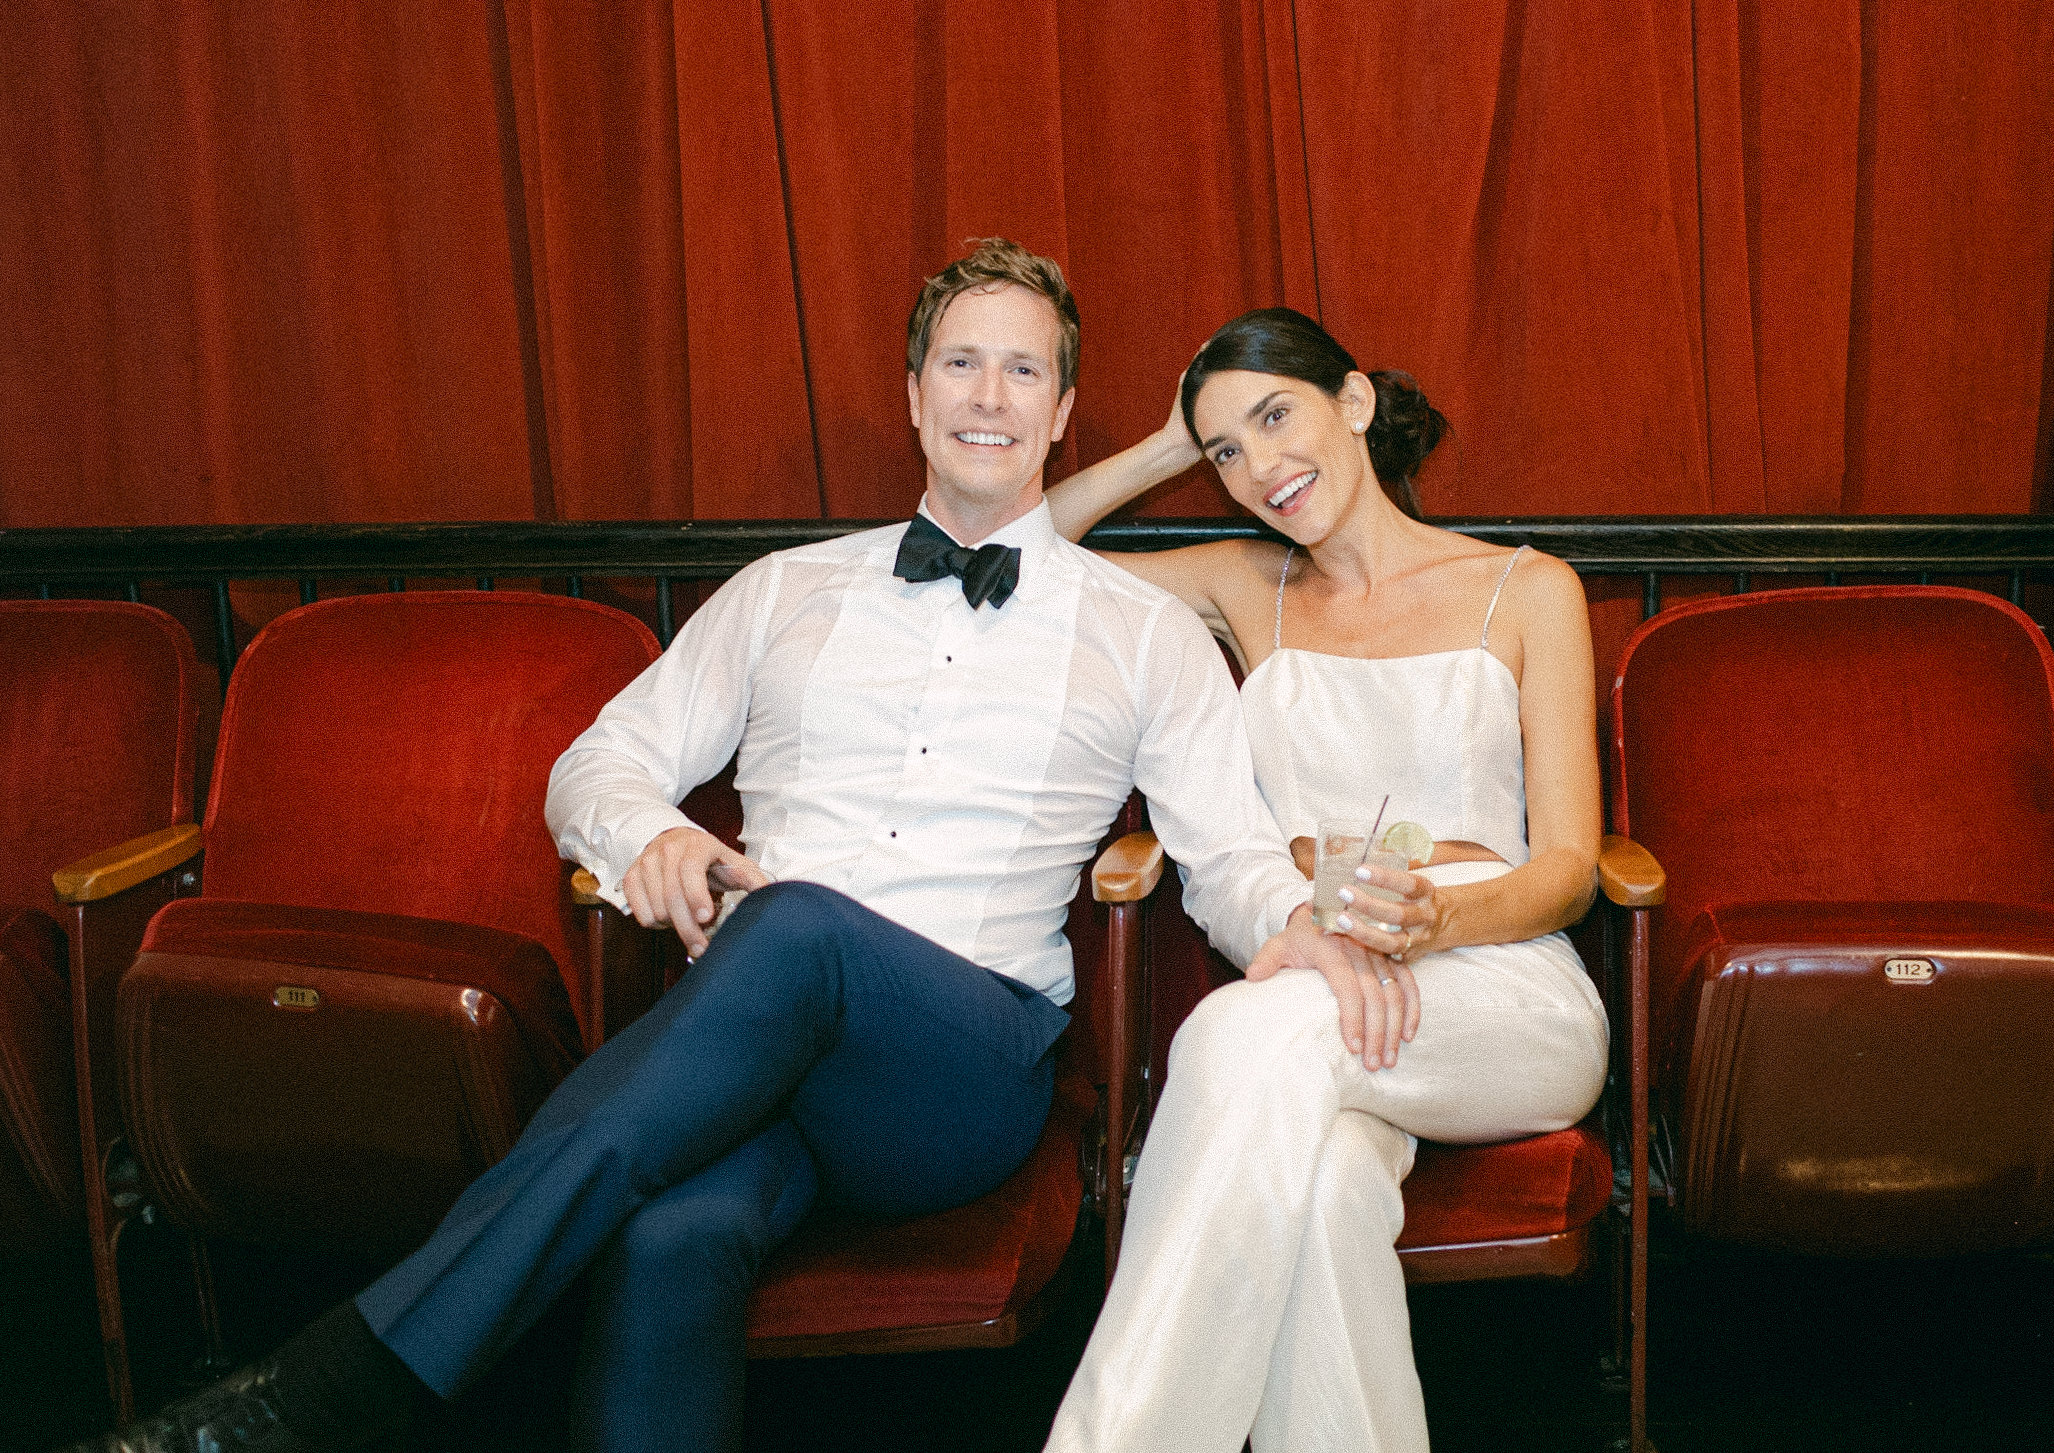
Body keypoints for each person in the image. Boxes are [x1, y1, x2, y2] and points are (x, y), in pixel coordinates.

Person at [62, 245, 1396, 1453]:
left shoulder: (1139, 630)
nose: (987, 394)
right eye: (960, 361)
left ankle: (339, 1387)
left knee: (799, 925)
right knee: (672, 1227)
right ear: (914, 391)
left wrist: (1294, 927)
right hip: (750, 1048)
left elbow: (1222, 850)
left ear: (1057, 414)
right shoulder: (781, 591)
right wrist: (651, 838)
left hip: (956, 1070)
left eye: (1023, 369)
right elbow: (597, 761)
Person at [1038, 307, 1611, 1453]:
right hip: (1332, 975)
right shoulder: (1250, 584)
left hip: (1504, 989)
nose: (1258, 468)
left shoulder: (1526, 589)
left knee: (1235, 1035)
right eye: (1224, 452)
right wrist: (1162, 447)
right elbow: (1027, 552)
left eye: (1273, 416)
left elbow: (1568, 870)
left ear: (1352, 403)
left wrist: (1441, 917)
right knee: (1328, 1190)